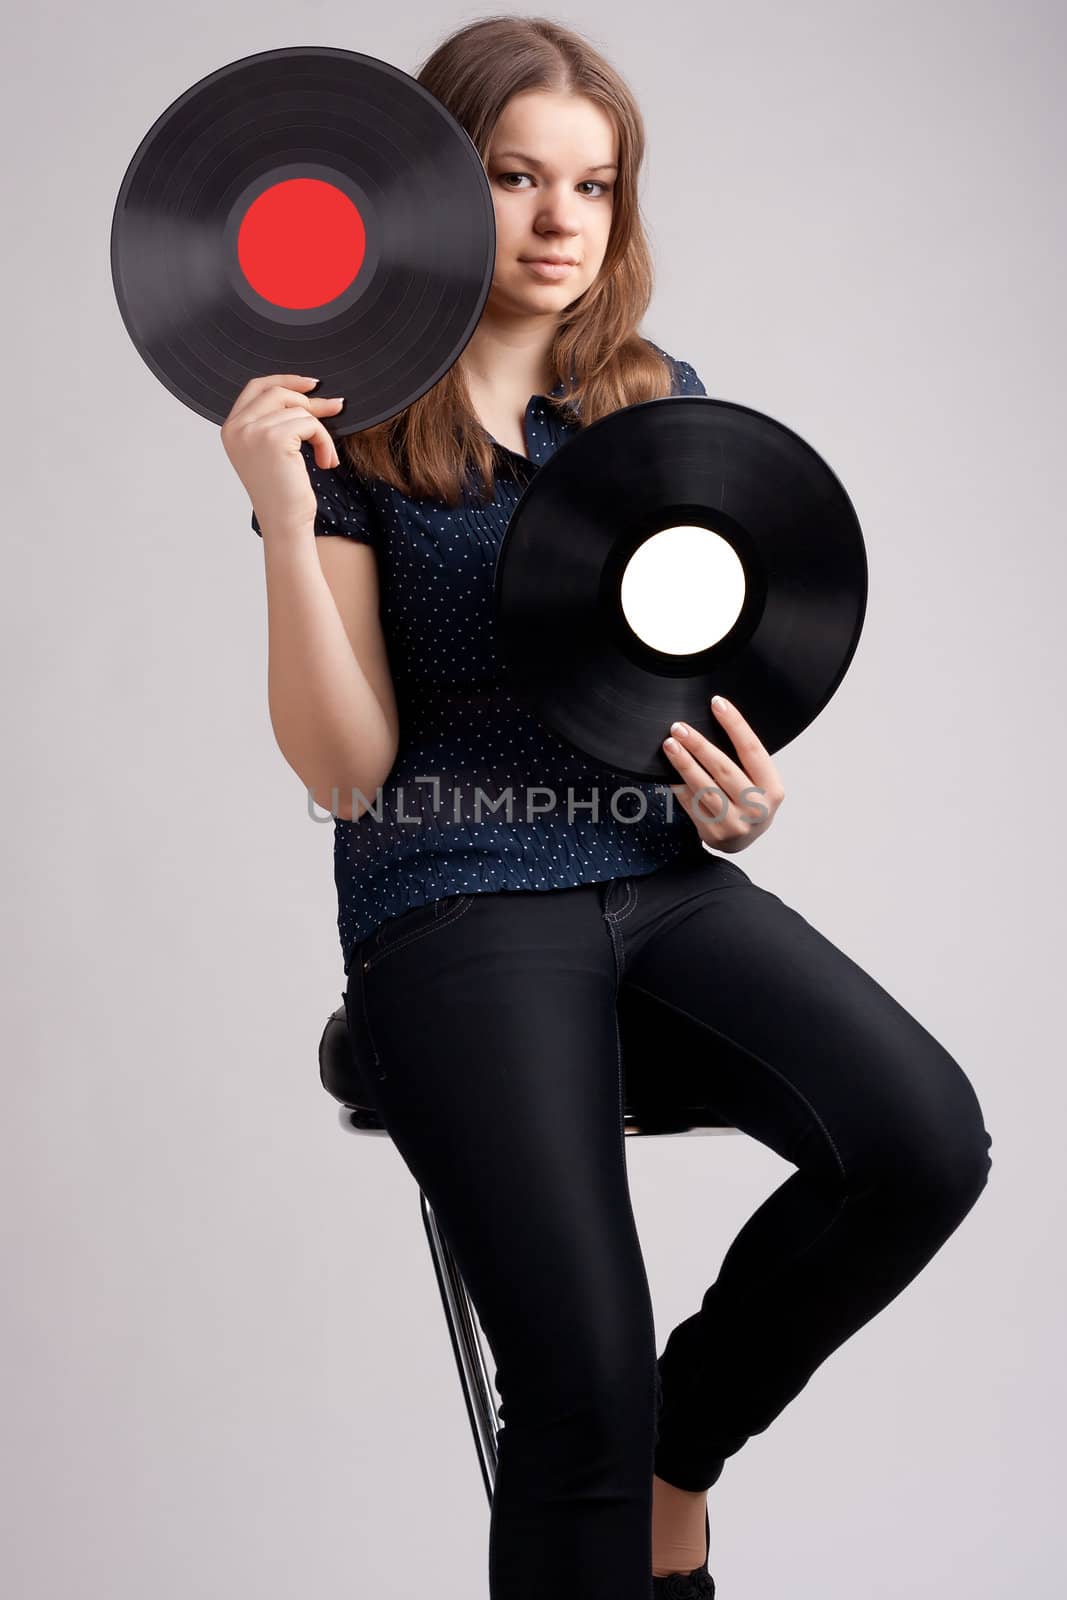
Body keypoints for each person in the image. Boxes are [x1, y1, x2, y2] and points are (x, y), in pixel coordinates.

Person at [221, 16, 992, 1600]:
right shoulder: (348, 430)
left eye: (595, 183)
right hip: (452, 892)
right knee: (575, 1381)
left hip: (653, 872)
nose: (562, 220)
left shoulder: (655, 401)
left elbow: (682, 689)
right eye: (514, 178)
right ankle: (618, 1443)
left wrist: (740, 797)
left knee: (920, 1142)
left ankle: (675, 1460)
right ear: (434, 191)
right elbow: (346, 768)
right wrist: (286, 523)